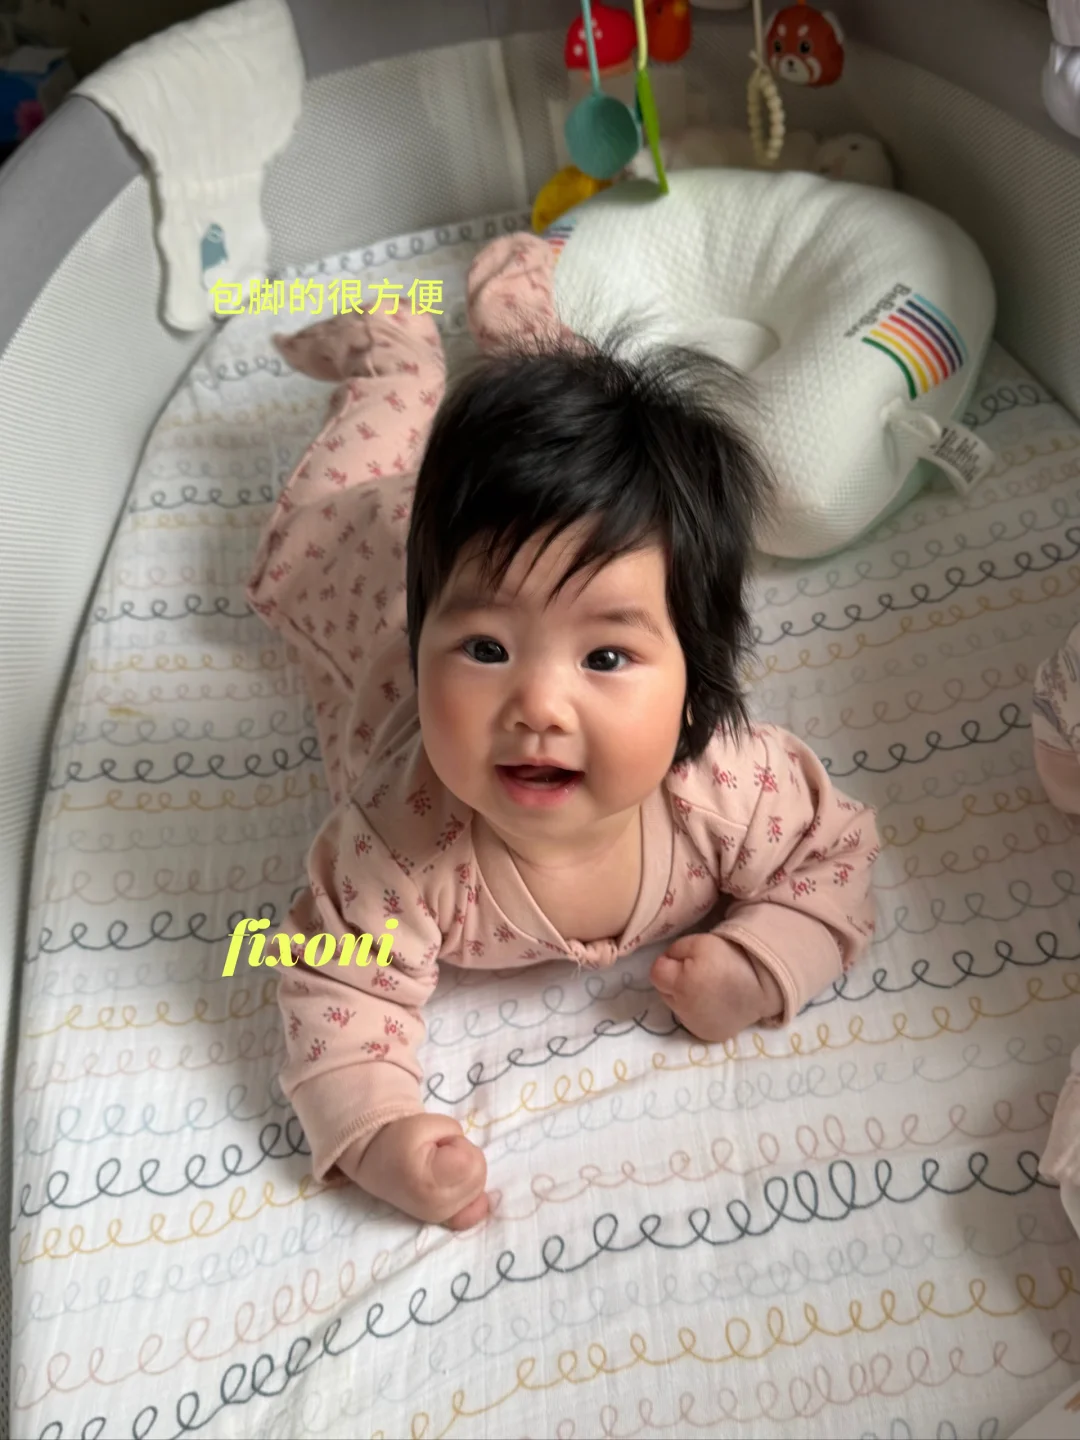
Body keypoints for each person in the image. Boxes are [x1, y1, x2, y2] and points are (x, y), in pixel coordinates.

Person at [246, 232, 880, 1231]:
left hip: (511, 530)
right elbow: (332, 985)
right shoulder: (395, 846)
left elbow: (835, 852)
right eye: (485, 650)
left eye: (607, 657)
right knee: (307, 531)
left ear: (696, 681)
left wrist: (762, 964)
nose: (538, 706)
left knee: (580, 432)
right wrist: (379, 1133)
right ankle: (396, 358)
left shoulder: (728, 787)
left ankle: (523, 318)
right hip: (369, 562)